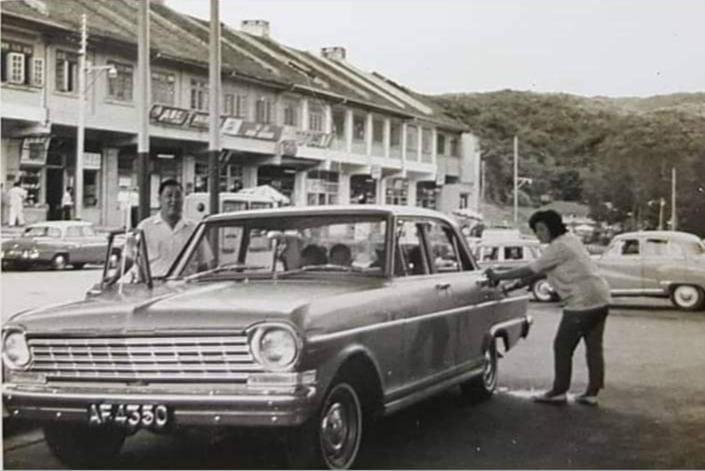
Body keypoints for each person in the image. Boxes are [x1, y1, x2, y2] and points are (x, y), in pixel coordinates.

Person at [486, 210, 611, 406]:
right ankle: (592, 392)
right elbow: (540, 272)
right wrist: (512, 286)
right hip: (601, 297)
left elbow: (531, 269)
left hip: (581, 301)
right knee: (593, 348)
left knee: (562, 346)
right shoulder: (570, 240)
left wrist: (498, 277)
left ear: (546, 227)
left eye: (539, 230)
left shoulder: (558, 247)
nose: (538, 235)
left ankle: (559, 391)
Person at [137, 179, 197, 277]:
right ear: (159, 200)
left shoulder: (194, 228)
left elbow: (205, 264)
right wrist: (113, 279)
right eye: (169, 196)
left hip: (187, 287)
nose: (174, 200)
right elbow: (129, 257)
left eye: (178, 196)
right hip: (155, 286)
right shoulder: (145, 227)